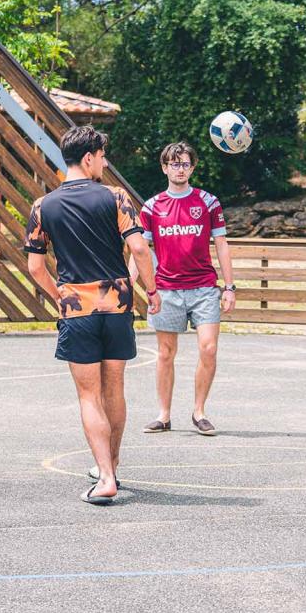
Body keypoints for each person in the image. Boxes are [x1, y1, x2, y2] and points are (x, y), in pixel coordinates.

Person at [25, 126, 160, 505]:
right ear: (88, 158)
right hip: (116, 307)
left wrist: (61, 298)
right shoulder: (116, 197)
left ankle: (104, 477)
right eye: (102, 156)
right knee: (114, 389)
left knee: (89, 395)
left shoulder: (42, 206)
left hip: (77, 311)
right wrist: (151, 291)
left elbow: (36, 268)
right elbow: (139, 248)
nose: (104, 162)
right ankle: (112, 466)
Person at [132, 142, 235, 436]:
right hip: (167, 289)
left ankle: (199, 411)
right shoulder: (152, 207)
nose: (180, 169)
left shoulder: (208, 202)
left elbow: (222, 245)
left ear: (193, 167)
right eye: (174, 164)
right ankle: (163, 415)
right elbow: (139, 249)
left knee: (209, 348)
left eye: (185, 164)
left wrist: (229, 287)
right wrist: (130, 283)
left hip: (203, 288)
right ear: (165, 168)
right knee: (166, 353)